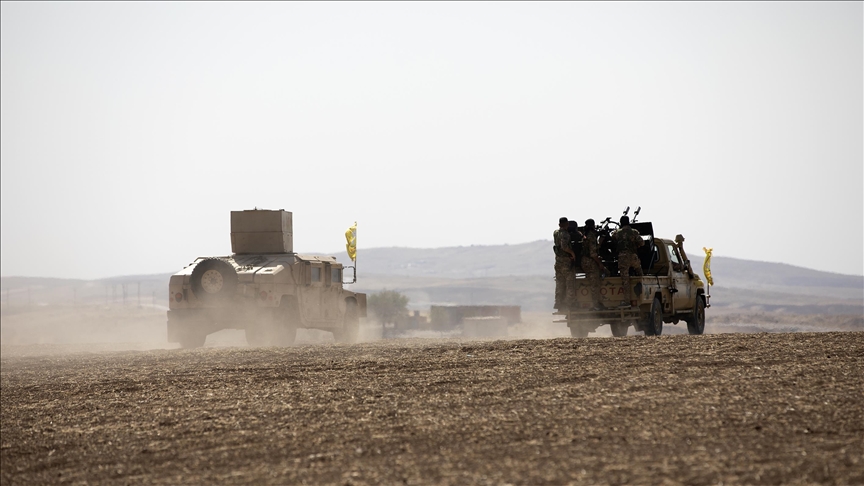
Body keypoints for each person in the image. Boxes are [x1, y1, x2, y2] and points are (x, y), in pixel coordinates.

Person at [612, 215, 644, 307]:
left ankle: (626, 302)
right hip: (633, 256)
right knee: (640, 272)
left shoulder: (617, 233)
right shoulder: (634, 232)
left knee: (625, 280)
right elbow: (642, 242)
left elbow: (613, 239)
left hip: (623, 258)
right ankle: (642, 294)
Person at [580, 219, 606, 311]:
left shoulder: (585, 235)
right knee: (594, 283)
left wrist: (599, 243)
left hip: (584, 261)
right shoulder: (591, 236)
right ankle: (595, 305)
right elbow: (593, 254)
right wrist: (600, 264)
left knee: (591, 281)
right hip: (590, 262)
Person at [553, 217, 577, 311]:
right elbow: (564, 247)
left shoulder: (556, 232)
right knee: (569, 283)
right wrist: (572, 253)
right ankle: (569, 305)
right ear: (567, 224)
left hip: (558, 261)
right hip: (566, 262)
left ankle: (558, 303)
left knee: (560, 283)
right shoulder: (565, 234)